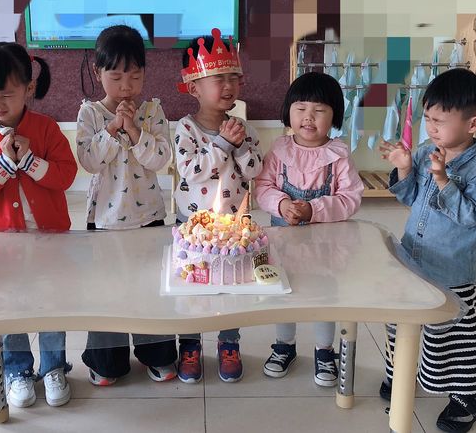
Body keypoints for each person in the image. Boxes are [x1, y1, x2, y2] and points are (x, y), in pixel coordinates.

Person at [0, 42, 77, 408]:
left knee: (51, 302)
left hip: (48, 238)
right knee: (7, 306)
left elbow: (66, 175)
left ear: (29, 88)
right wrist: (4, 165)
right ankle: (18, 369)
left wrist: (30, 161)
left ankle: (53, 366)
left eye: (6, 94)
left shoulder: (46, 128)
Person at [379, 68, 476, 433]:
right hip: (412, 258)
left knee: (451, 333)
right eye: (427, 118)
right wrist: (404, 169)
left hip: (450, 270)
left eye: (439, 121)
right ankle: (402, 373)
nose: (430, 128)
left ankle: (466, 397)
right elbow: (412, 198)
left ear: (473, 123)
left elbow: (470, 215)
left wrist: (444, 179)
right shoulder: (426, 151)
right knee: (400, 319)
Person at [76, 25, 178, 385]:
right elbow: (89, 161)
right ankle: (106, 360)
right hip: (105, 221)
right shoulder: (89, 114)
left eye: (135, 76)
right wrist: (111, 129)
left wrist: (134, 130)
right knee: (108, 290)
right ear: (97, 73)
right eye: (116, 77)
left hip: (148, 216)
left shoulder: (153, 111)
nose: (126, 86)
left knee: (150, 286)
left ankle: (158, 353)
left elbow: (161, 159)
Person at [254, 72, 363, 382]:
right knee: (282, 293)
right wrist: (281, 205)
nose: (308, 117)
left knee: (323, 296)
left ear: (334, 115)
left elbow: (351, 198)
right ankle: (284, 345)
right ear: (288, 111)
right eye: (301, 108)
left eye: (319, 110)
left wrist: (314, 209)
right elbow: (263, 187)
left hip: (326, 245)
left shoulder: (338, 155)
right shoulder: (279, 150)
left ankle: (324, 350)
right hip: (282, 243)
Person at [173, 28, 263, 384]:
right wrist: (222, 144)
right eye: (218, 78)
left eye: (234, 78)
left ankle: (229, 343)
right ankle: (189, 345)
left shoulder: (244, 128)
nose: (229, 86)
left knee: (231, 286)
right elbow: (191, 171)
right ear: (193, 87)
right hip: (193, 227)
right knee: (192, 286)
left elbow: (254, 170)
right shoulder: (185, 128)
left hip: (234, 229)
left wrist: (239, 146)